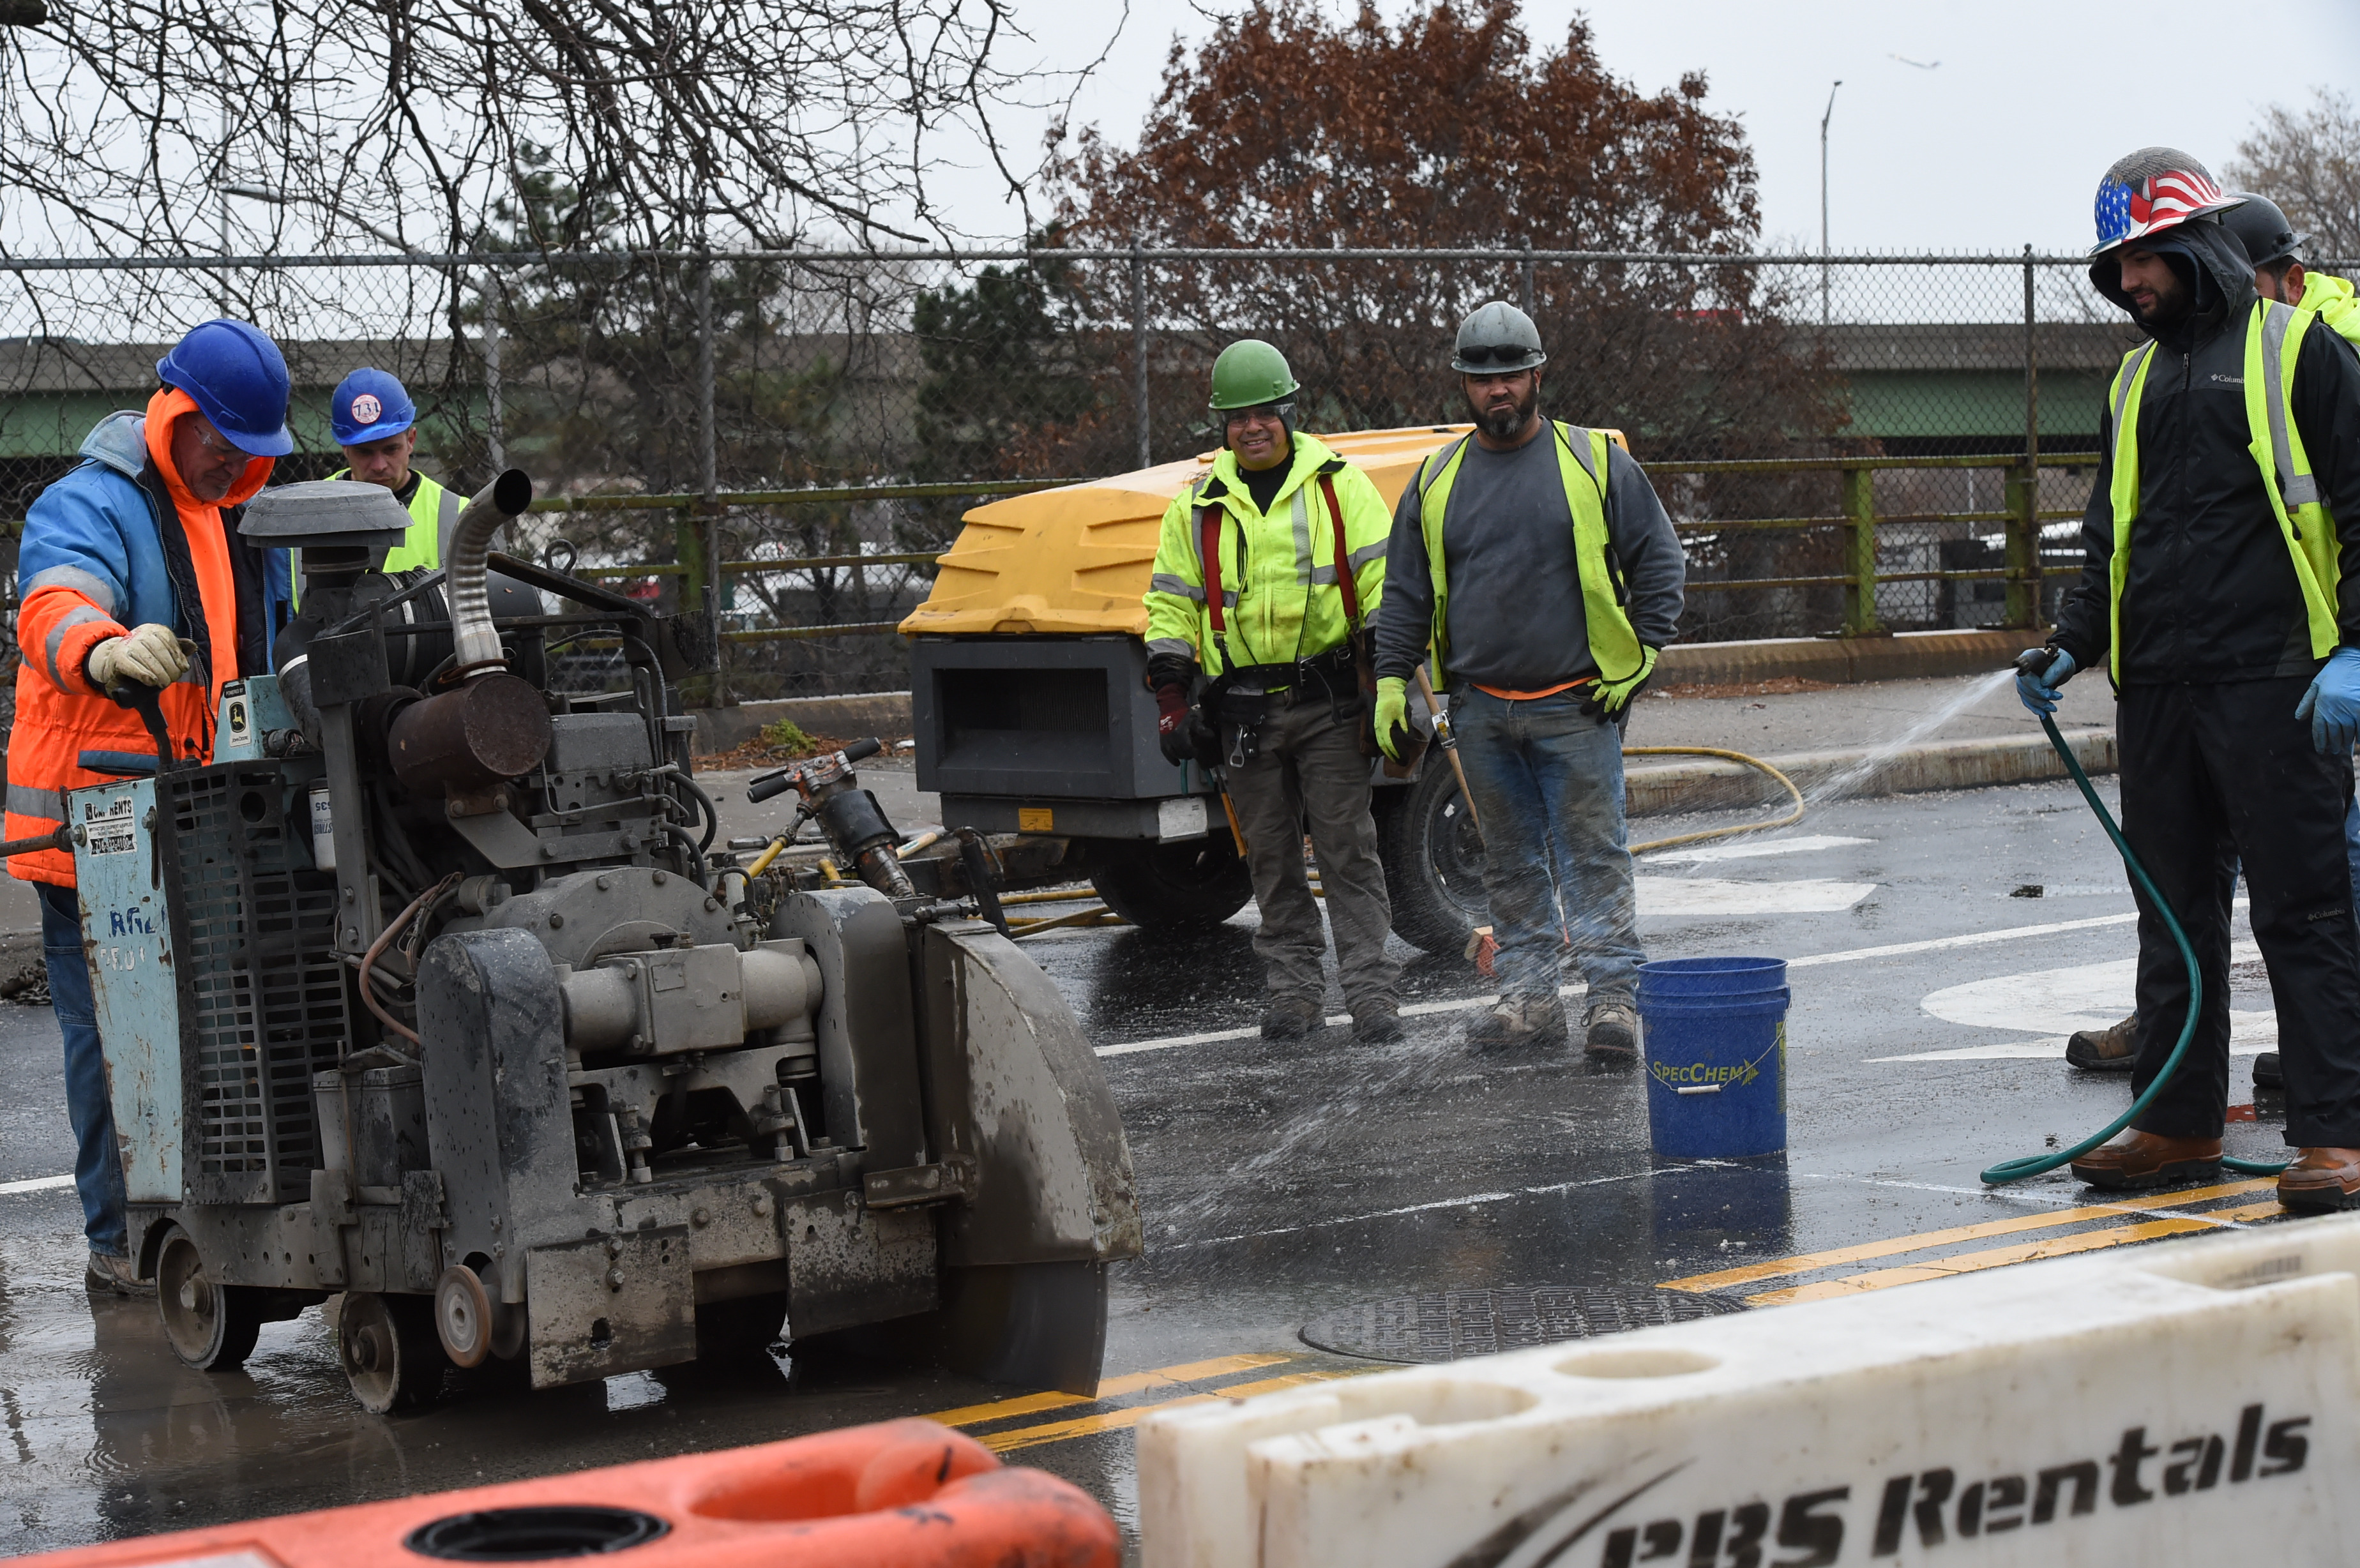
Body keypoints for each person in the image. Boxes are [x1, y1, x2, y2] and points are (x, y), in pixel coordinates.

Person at [2020, 149, 2360, 1210]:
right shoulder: (2134, 378)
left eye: (2143, 261)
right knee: (2173, 912)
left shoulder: (2298, 348)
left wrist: (2355, 647)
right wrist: (2072, 642)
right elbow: (2108, 540)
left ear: (2192, 244)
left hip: (2276, 681)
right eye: (2117, 267)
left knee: (2301, 913)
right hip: (2158, 687)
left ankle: (2335, 1136)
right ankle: (2176, 1123)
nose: (2129, 284)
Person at [4, 319, 289, 1290]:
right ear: (179, 415)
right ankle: (119, 1239)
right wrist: (103, 648)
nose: (233, 466)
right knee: (114, 1036)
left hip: (200, 823)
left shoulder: (238, 519)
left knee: (214, 1025)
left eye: (252, 453)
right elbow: (52, 604)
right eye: (223, 447)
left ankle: (201, 1210)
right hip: (94, 829)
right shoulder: (86, 503)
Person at [1370, 302, 1684, 1055]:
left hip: (1577, 704)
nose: (1497, 390)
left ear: (1538, 374)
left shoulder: (1594, 461)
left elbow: (1661, 561)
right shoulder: (1437, 481)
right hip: (1480, 711)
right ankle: (1529, 998)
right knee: (1507, 861)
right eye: (1482, 378)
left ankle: (1612, 1000)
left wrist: (1642, 655)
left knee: (1594, 856)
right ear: (1464, 387)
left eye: (1510, 374)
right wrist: (1389, 680)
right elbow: (1406, 592)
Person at [1141, 340, 1403, 1044]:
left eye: (1266, 414)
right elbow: (1170, 609)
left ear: (1289, 413)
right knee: (1271, 856)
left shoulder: (1339, 487)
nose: (1253, 428)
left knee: (1348, 848)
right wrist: (1173, 704)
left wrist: (1390, 687)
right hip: (1243, 713)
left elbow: (1383, 590)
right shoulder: (1195, 508)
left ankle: (1372, 996)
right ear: (1222, 427)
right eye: (1238, 418)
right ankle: (1294, 995)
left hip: (1328, 703)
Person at [272, 368, 462, 619]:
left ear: (411, 440)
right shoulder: (302, 513)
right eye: (364, 452)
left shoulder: (458, 515)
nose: (379, 465)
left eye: (391, 449)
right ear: (345, 449)